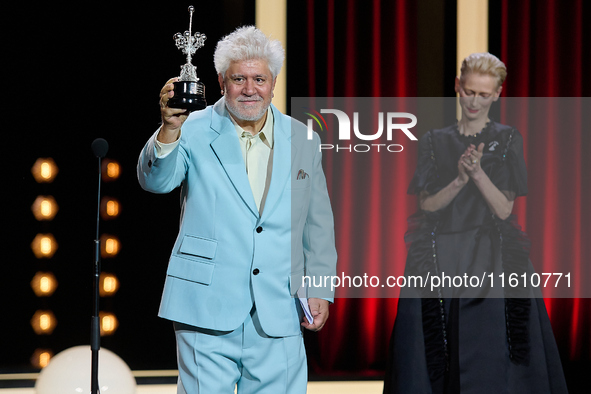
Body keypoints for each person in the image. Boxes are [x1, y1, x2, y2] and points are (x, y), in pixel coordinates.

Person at [137, 26, 337, 393]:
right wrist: (167, 129)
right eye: (238, 79)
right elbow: (156, 182)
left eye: (259, 78)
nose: (249, 89)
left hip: (279, 310)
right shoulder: (191, 129)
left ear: (273, 81)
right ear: (220, 81)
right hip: (204, 308)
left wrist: (321, 287)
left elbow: (318, 223)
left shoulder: (304, 139)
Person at [383, 53, 568, 393]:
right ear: (457, 87)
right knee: (431, 358)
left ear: (497, 94)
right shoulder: (434, 140)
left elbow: (503, 209)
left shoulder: (509, 138)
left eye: (484, 94)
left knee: (491, 356)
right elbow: (427, 205)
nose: (474, 101)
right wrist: (459, 179)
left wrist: (478, 173)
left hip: (492, 258)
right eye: (469, 91)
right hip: (440, 256)